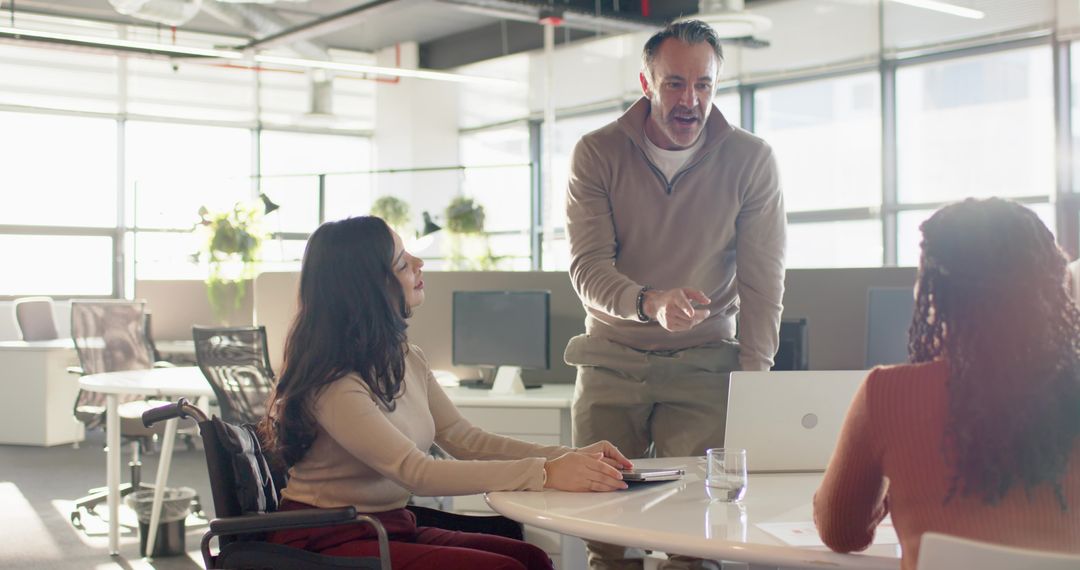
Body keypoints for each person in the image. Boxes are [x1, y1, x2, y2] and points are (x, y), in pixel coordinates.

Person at [260, 216, 633, 570]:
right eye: (402, 262)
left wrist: (568, 457)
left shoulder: (405, 357)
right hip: (327, 539)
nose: (419, 263)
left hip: (389, 525)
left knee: (530, 558)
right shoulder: (334, 384)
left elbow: (462, 438)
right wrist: (546, 473)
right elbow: (416, 472)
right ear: (367, 286)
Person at [564, 19, 786, 570]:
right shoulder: (597, 153)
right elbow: (588, 268)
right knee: (605, 535)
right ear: (646, 83)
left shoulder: (751, 160)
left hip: (705, 361)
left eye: (704, 84)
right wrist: (651, 301)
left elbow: (763, 281)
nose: (691, 100)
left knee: (694, 537)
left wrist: (755, 381)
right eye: (675, 84)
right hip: (611, 357)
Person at [814, 198, 1080, 569]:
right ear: (1051, 288)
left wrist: (899, 474)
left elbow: (841, 532)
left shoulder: (887, 394)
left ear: (932, 292)